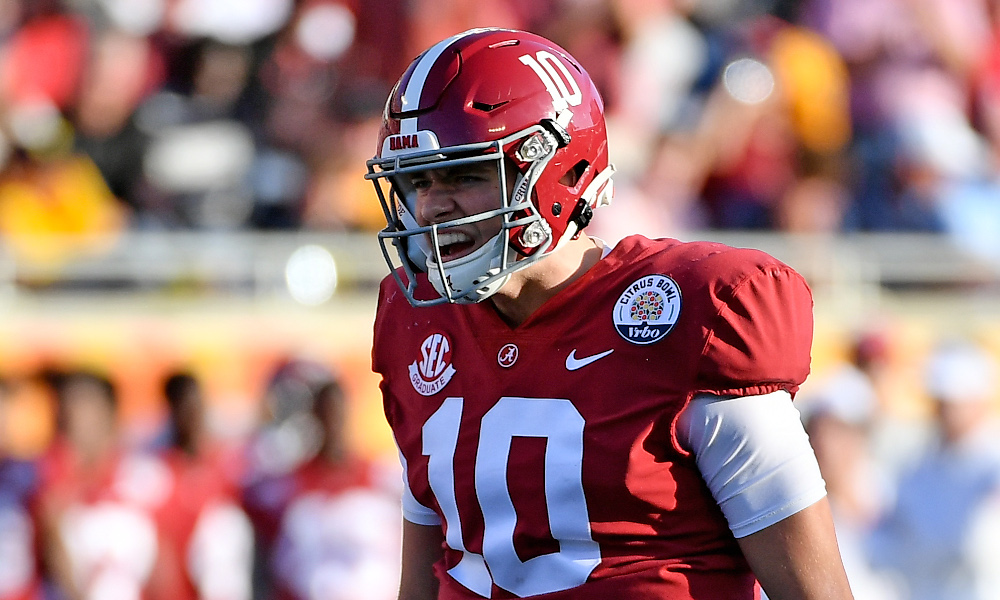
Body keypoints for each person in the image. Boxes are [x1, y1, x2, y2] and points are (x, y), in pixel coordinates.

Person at [366, 28, 854, 600]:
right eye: (417, 181)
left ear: (561, 171)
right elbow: (423, 578)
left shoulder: (693, 311)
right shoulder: (415, 320)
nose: (431, 207)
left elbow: (814, 591)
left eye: (464, 174)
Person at [869, 340, 1000, 600]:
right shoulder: (918, 466)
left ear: (978, 400)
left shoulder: (992, 465)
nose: (944, 410)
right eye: (940, 400)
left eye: (953, 401)